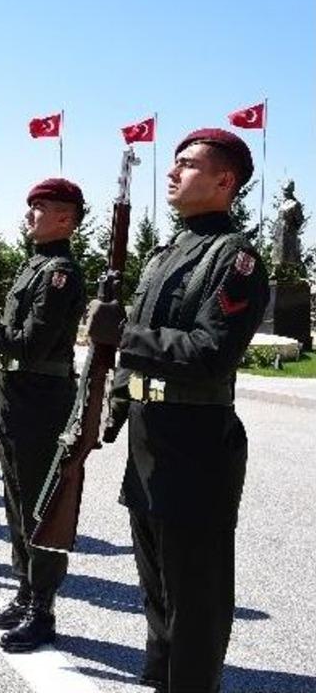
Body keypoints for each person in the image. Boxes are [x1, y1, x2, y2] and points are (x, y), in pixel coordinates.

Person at [89, 128, 269, 693]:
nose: (173, 172)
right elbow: (132, 345)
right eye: (174, 163)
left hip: (195, 442)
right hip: (150, 437)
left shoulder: (234, 260)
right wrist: (112, 404)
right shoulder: (165, 254)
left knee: (197, 599)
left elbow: (211, 353)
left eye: (188, 165)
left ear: (224, 182)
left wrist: (124, 336)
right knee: (157, 590)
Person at [0, 179, 86, 652]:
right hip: (15, 401)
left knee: (39, 507)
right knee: (16, 503)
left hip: (40, 403)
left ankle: (42, 609)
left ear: (66, 219)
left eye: (40, 208)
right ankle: (24, 591)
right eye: (29, 207)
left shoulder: (61, 274)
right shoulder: (34, 267)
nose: (29, 215)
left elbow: (29, 342)